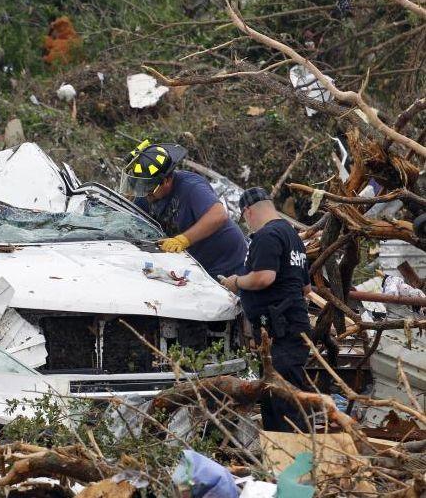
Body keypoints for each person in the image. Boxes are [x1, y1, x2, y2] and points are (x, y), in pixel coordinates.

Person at [220, 187, 311, 432]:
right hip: (291, 330)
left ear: (248, 212)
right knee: (280, 398)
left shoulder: (267, 236)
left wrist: (235, 282)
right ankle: (280, 459)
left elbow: (263, 277)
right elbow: (306, 288)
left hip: (281, 331)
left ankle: (291, 461)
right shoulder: (292, 236)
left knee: (284, 404)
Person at [120, 141, 247, 278]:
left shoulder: (191, 186)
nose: (146, 194)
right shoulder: (147, 193)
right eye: (141, 188)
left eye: (149, 189)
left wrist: (183, 240)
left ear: (166, 181)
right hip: (193, 263)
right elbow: (130, 219)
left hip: (226, 261)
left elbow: (218, 215)